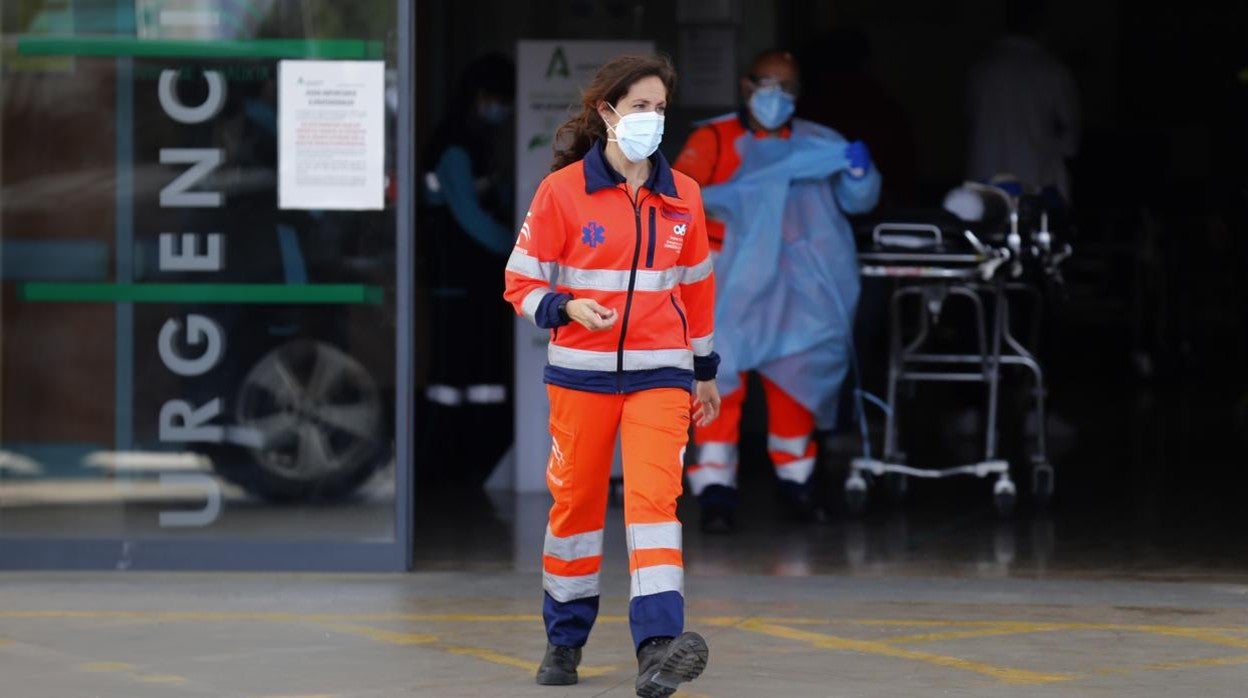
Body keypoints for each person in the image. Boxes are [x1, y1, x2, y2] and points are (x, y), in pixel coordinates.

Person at [503, 53, 719, 696]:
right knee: (575, 508)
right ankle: (564, 641)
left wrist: (704, 371)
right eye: (639, 107)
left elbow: (699, 293)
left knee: (655, 506)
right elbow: (519, 281)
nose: (652, 119)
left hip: (662, 375)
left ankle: (657, 648)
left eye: (659, 108)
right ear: (606, 113)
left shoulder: (684, 197)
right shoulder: (562, 192)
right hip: (581, 376)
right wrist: (564, 306)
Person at [674, 50, 881, 533]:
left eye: (787, 88)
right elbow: (679, 200)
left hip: (797, 287)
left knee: (795, 379)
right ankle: (715, 491)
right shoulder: (714, 139)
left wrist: (859, 172)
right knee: (716, 386)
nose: (777, 97)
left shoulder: (818, 143)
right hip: (728, 281)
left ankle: (798, 483)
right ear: (747, 87)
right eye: (769, 84)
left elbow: (858, 201)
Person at [419, 53, 516, 487]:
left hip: (470, 279)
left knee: (479, 375)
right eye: (499, 99)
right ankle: (450, 463)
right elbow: (469, 217)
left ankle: (474, 458)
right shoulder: (454, 145)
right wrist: (517, 248)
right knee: (459, 375)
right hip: (457, 279)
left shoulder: (475, 143)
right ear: (480, 97)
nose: (503, 109)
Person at [966, 0, 1080, 201]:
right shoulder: (1052, 71)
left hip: (984, 188)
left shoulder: (982, 70)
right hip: (1036, 187)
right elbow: (1070, 140)